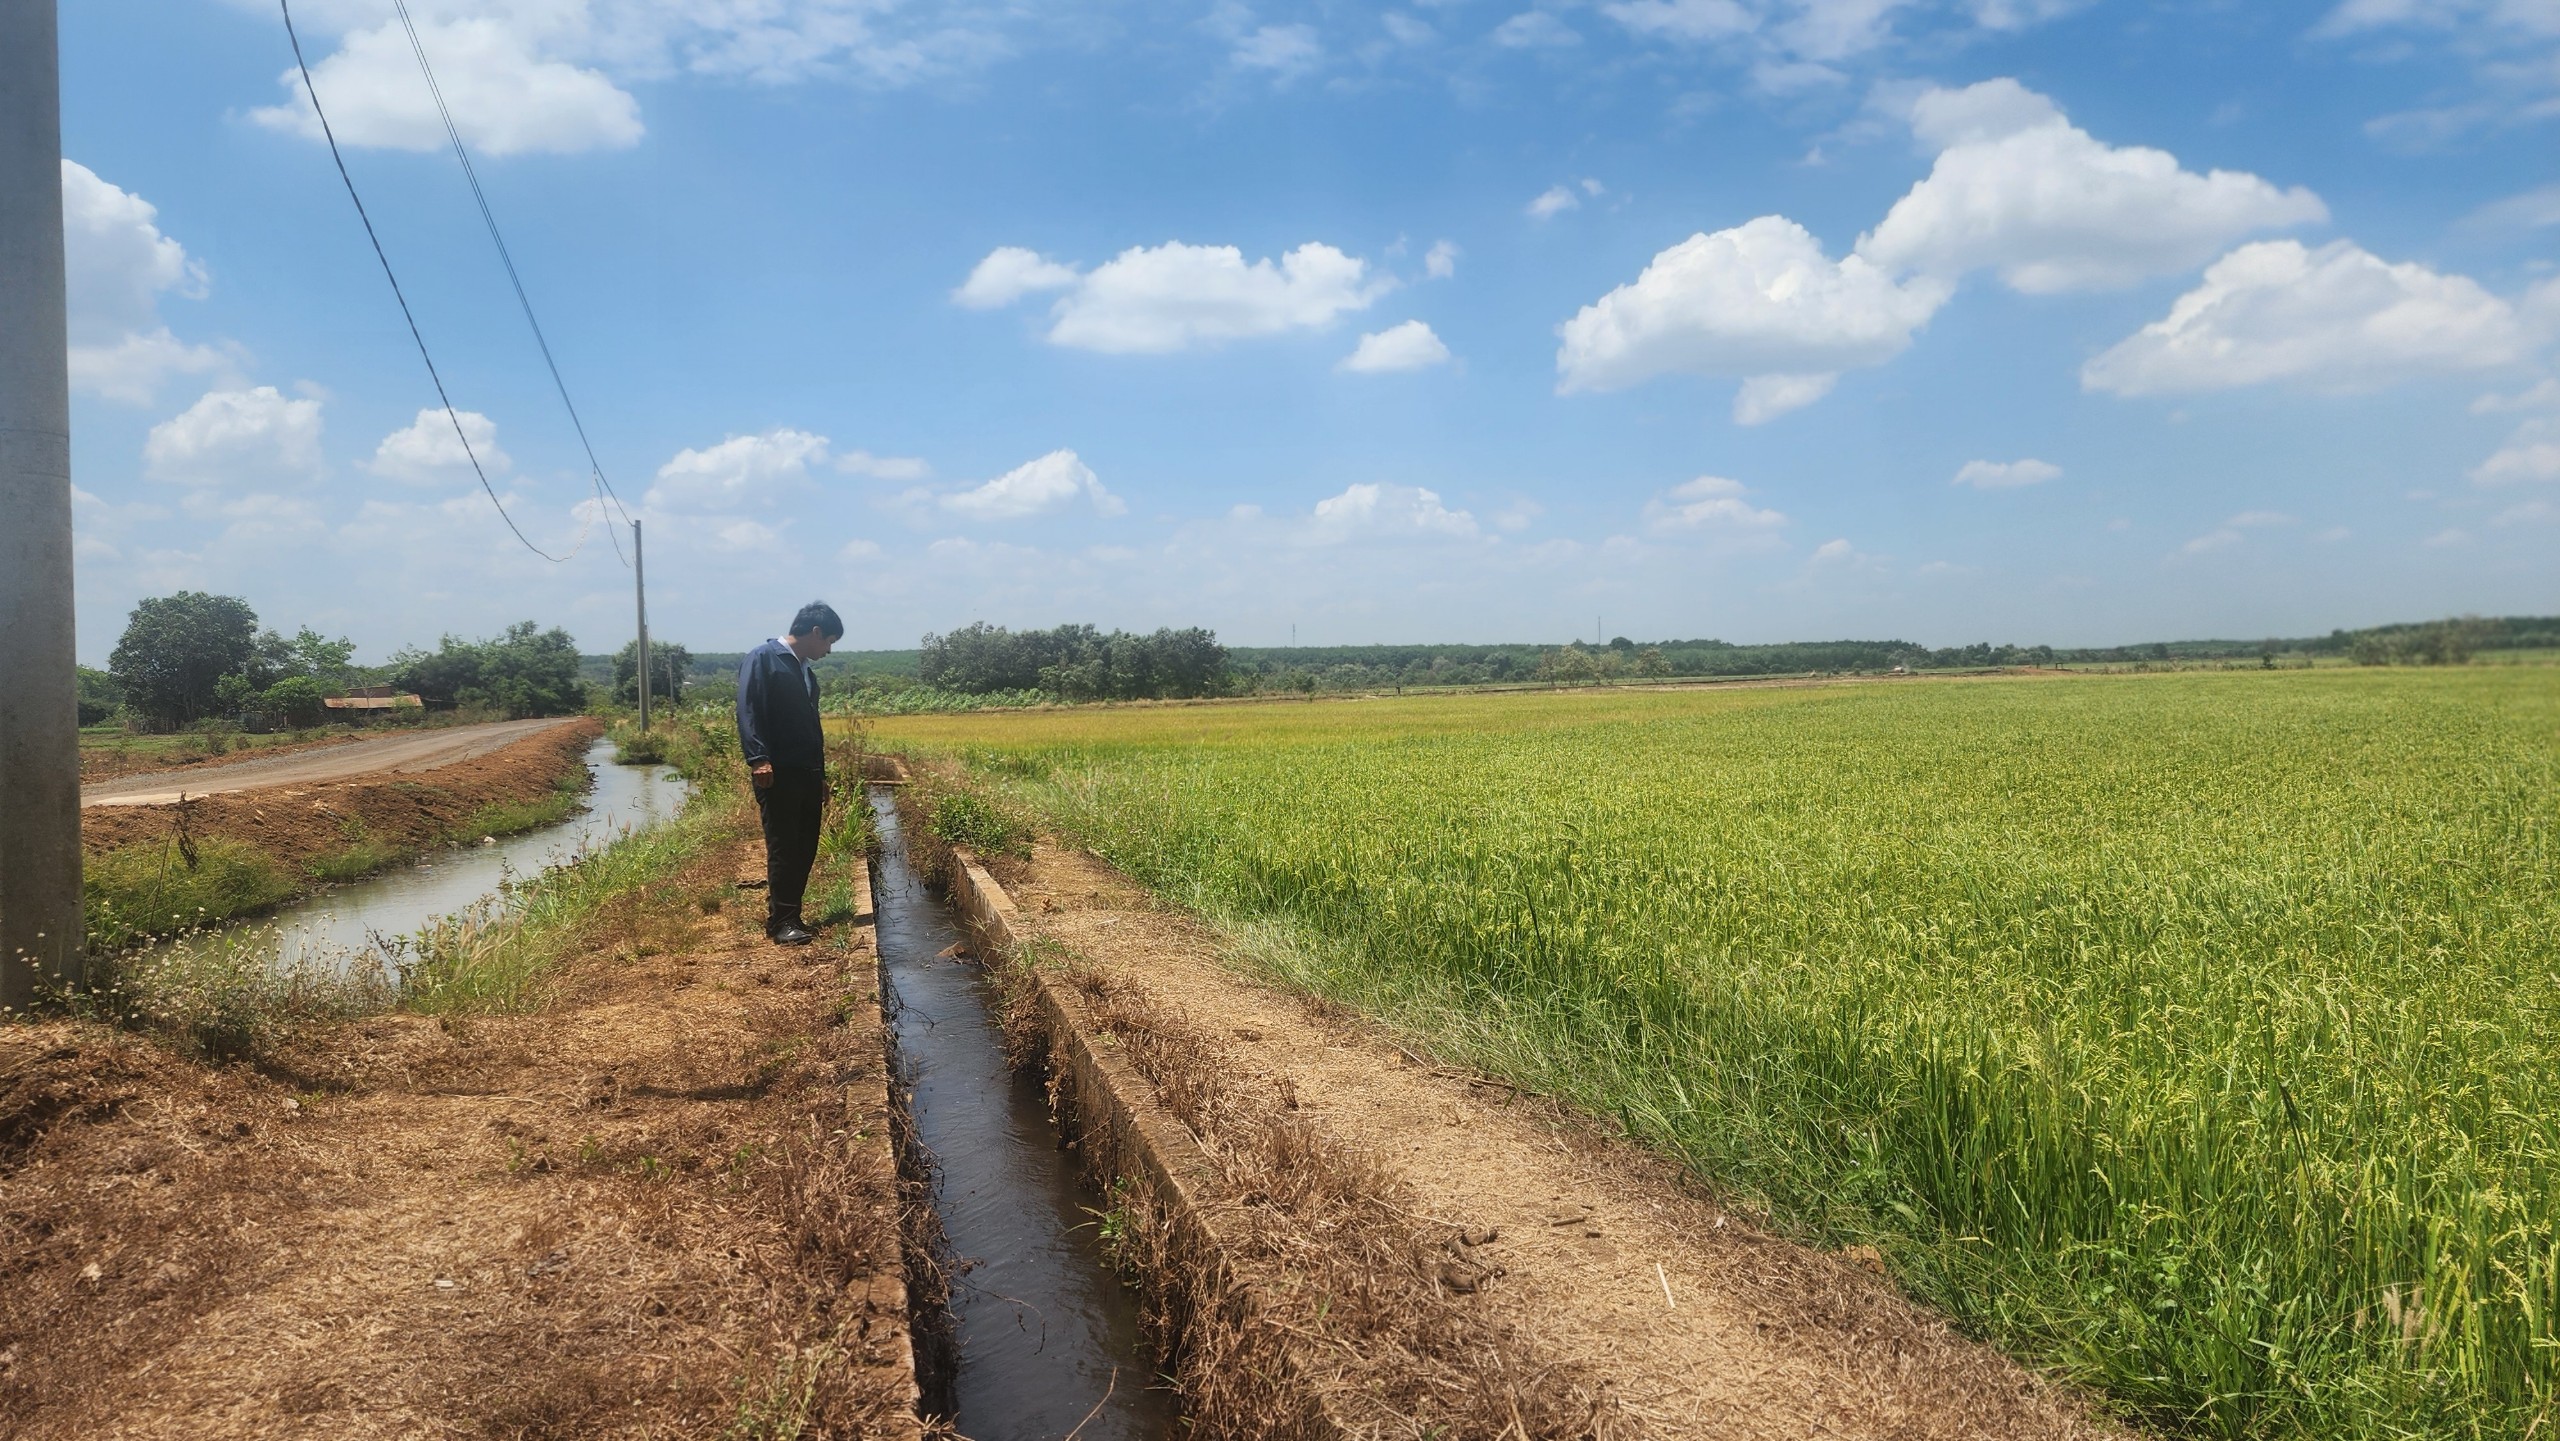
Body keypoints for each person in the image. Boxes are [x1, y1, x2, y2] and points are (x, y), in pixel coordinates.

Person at [736, 601, 841, 944]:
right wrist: (758, 758)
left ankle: (792, 914)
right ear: (815, 633)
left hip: (807, 771)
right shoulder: (764, 659)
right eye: (829, 641)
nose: (828, 650)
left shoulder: (805, 672)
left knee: (805, 845)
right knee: (784, 845)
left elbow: (812, 727)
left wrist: (820, 774)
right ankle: (781, 922)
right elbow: (748, 710)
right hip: (778, 771)